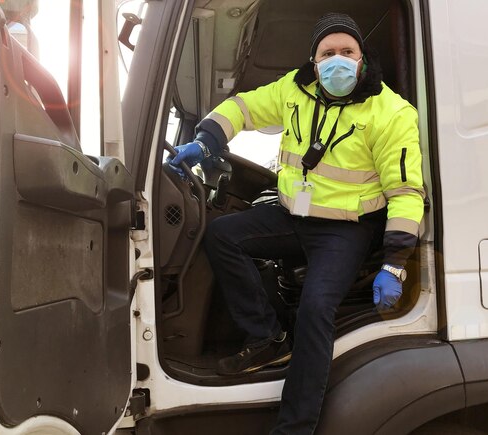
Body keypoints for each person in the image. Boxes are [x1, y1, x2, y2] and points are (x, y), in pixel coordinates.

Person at [169, 12, 424, 435]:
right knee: (221, 235)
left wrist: (396, 259)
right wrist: (205, 139)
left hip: (344, 230)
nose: (337, 60)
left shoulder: (391, 112)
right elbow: (244, 106)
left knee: (315, 309)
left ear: (362, 60)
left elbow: (405, 193)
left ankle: (295, 427)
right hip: (293, 215)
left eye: (347, 52)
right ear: (314, 59)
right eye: (328, 53)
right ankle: (267, 340)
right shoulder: (294, 89)